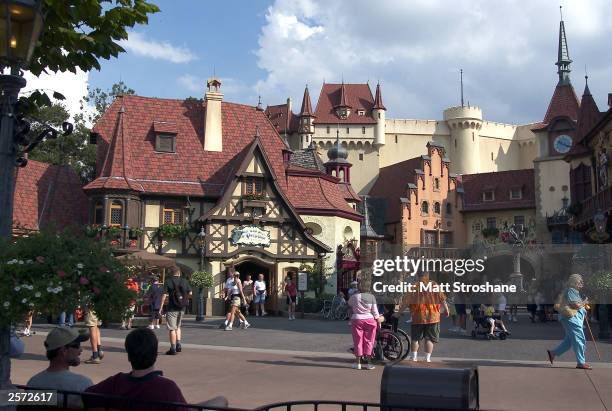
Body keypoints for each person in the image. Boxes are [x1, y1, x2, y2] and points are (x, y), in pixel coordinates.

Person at [85, 328, 228, 411]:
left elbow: (86, 396)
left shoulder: (115, 383)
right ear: (155, 355)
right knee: (221, 401)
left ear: (129, 356)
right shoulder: (166, 388)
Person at [27, 327, 92, 408]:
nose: (81, 350)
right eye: (77, 345)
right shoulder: (83, 384)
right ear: (64, 351)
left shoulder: (33, 383)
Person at [395, 272, 448, 363]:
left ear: (418, 276)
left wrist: (398, 313)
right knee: (429, 338)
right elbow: (442, 299)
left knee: (415, 338)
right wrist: (446, 310)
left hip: (417, 316)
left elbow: (406, 303)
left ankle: (413, 357)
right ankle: (427, 358)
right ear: (427, 275)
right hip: (433, 316)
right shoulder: (434, 285)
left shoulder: (414, 287)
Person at [547, 274, 592, 370]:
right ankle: (581, 362)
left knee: (569, 341)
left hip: (572, 318)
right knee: (579, 340)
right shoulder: (571, 290)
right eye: (580, 281)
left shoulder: (573, 291)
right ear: (574, 282)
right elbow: (575, 305)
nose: (582, 283)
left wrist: (583, 307)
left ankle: (553, 353)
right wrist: (585, 302)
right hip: (572, 319)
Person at [347, 280, 383, 370]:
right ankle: (369, 363)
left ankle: (358, 363)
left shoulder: (354, 297)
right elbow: (375, 311)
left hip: (357, 319)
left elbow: (349, 306)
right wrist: (379, 320)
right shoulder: (371, 297)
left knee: (358, 341)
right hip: (370, 320)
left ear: (359, 287)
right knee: (369, 341)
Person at [159, 266, 192, 355]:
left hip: (172, 308)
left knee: (171, 328)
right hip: (182, 307)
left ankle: (173, 348)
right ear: (179, 272)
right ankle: (179, 344)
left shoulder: (168, 281)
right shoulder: (184, 281)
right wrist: (183, 299)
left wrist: (161, 307)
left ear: (171, 273)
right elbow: (190, 292)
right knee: (178, 326)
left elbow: (164, 295)